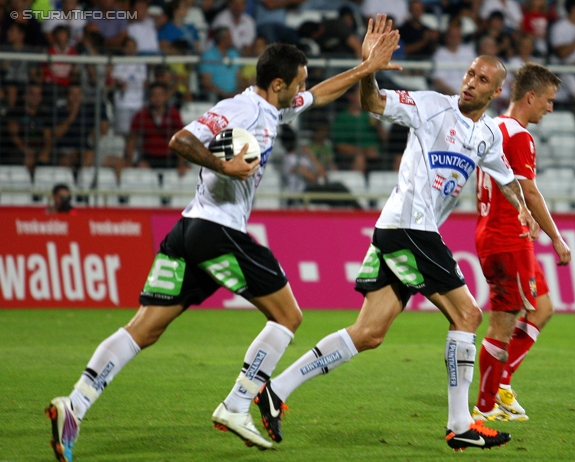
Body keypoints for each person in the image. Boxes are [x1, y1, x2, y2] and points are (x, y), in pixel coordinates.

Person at [45, 31, 402, 461]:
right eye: (300, 83)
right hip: (217, 230)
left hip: (188, 231)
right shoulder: (240, 109)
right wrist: (223, 165)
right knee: (288, 316)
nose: (304, 90)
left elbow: (322, 96)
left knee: (145, 327)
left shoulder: (274, 109)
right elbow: (181, 139)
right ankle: (236, 404)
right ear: (278, 84)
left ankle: (74, 406)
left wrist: (366, 69)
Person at [253, 14, 539, 452]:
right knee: (467, 316)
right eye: (469, 73)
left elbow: (508, 179)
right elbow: (374, 104)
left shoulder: (484, 137)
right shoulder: (430, 105)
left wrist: (525, 210)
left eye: (481, 80)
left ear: (495, 92)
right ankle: (461, 422)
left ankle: (276, 390)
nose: (470, 83)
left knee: (368, 333)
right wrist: (369, 67)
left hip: (402, 232)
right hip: (409, 226)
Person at [471, 63, 571, 422]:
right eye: (548, 100)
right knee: (502, 323)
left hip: (496, 231)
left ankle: (503, 385)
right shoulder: (518, 136)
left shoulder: (491, 126)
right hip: (507, 237)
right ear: (531, 97)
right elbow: (528, 190)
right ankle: (487, 408)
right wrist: (557, 238)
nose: (550, 107)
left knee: (542, 307)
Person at [124, 82, 187, 170]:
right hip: (149, 157)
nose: (157, 98)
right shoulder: (141, 115)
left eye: (160, 95)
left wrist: (181, 163)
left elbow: (179, 140)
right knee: (141, 168)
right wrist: (129, 161)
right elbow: (132, 139)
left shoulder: (173, 114)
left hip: (169, 156)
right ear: (149, 97)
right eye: (154, 95)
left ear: (165, 96)